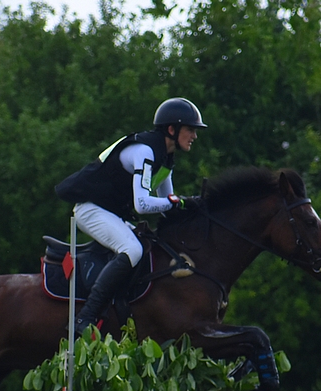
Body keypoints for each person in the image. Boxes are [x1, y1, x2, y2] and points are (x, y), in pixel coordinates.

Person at [54, 97, 207, 333]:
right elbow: (143, 205)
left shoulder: (165, 158)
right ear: (171, 129)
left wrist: (193, 208)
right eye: (190, 130)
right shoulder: (146, 151)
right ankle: (85, 318)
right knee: (133, 250)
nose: (195, 136)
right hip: (90, 209)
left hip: (110, 213)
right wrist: (179, 203)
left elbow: (169, 204)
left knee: (148, 246)